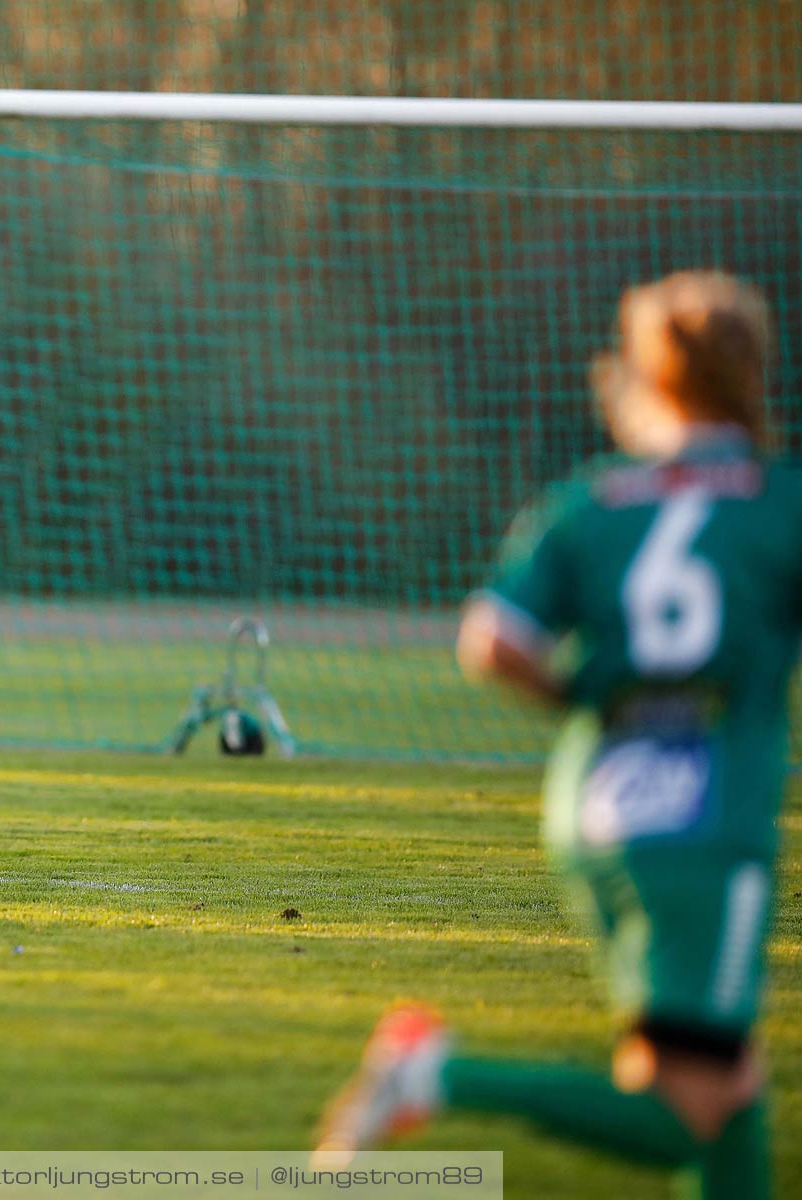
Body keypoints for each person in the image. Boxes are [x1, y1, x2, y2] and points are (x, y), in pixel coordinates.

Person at [314, 270, 787, 1197]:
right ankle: (434, 1076)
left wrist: (590, 698)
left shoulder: (592, 501)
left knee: (730, 1082)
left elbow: (492, 639)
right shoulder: (778, 502)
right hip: (710, 825)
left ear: (647, 379)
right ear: (753, 376)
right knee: (685, 1107)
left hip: (595, 810)